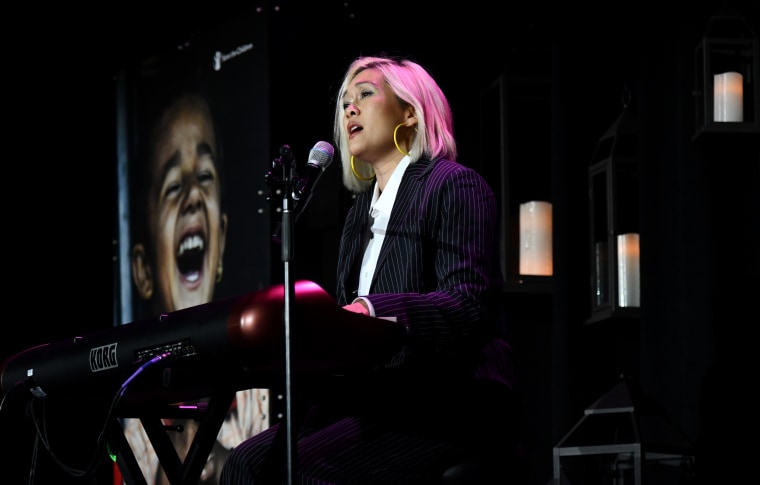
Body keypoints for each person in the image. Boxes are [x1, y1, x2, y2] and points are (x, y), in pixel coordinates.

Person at [219, 54, 521, 484]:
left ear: (411, 113)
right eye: (344, 102)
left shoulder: (453, 184)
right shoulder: (360, 215)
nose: (349, 109)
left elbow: (465, 305)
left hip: (450, 400)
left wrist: (369, 310)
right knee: (243, 465)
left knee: (305, 472)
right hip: (375, 400)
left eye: (364, 95)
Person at [125, 91, 269, 485]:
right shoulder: (130, 424)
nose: (192, 197)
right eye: (173, 186)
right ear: (143, 270)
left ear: (220, 239)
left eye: (204, 177)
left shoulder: (257, 398)